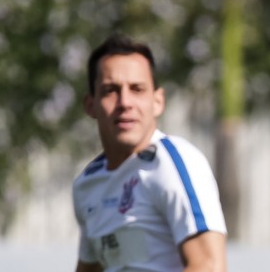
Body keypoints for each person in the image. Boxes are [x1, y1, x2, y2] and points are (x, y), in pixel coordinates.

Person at [73, 34, 228, 272]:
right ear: (90, 104)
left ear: (157, 101)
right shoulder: (88, 184)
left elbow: (208, 265)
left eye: (137, 89)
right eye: (110, 90)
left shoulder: (173, 164)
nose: (125, 102)